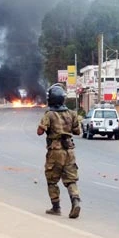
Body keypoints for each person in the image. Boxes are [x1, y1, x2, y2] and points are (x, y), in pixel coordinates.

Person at [37, 84, 81, 219]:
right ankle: (75, 201)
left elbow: (39, 132)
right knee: (71, 179)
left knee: (52, 180)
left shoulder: (49, 114)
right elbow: (77, 131)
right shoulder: (72, 114)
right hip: (69, 151)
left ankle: (56, 207)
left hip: (55, 151)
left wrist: (44, 126)